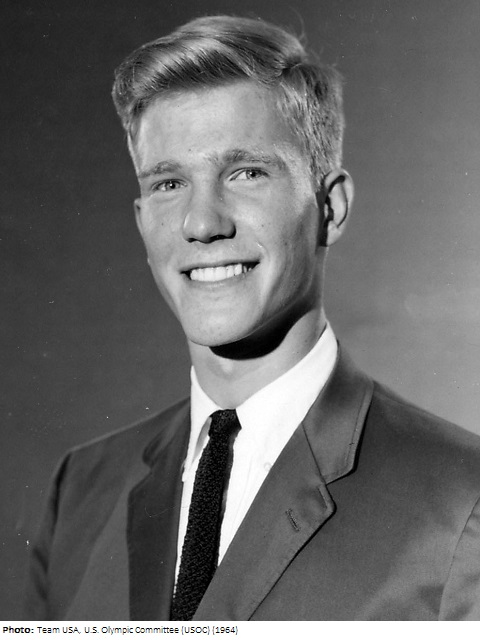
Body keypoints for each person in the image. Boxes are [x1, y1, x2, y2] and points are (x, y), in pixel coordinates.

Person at [25, 14, 480, 621]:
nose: (201, 223)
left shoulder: (462, 504)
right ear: (141, 221)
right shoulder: (80, 490)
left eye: (246, 174)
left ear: (330, 207)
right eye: (168, 184)